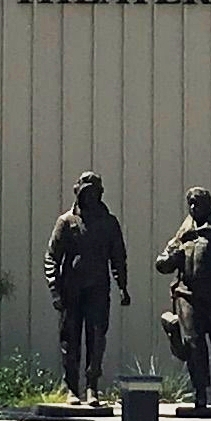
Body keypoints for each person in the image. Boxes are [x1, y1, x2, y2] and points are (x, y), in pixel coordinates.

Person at [45, 171, 130, 406]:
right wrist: (55, 289)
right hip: (71, 289)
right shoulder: (67, 222)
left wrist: (122, 286)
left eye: (94, 192)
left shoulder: (109, 222)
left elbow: (118, 257)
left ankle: (93, 387)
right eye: (86, 192)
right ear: (79, 193)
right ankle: (72, 388)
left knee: (96, 338)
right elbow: (52, 257)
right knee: (70, 340)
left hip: (98, 289)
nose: (90, 197)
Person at [156, 187, 211, 408]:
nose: (194, 208)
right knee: (194, 345)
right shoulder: (182, 236)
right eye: (191, 204)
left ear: (209, 207)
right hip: (187, 296)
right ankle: (200, 393)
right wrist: (173, 256)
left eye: (199, 203)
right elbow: (161, 263)